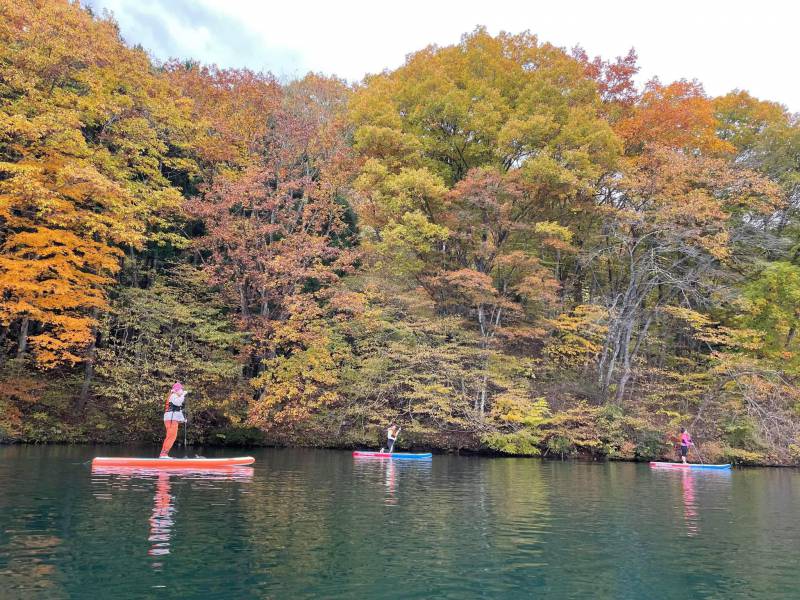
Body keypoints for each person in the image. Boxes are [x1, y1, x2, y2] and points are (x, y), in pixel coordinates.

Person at [159, 382, 186, 458]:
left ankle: (163, 454)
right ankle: (164, 454)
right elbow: (178, 403)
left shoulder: (175, 396)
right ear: (177, 390)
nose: (182, 391)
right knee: (171, 436)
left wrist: (183, 420)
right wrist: (183, 395)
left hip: (172, 419)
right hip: (170, 419)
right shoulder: (173, 395)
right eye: (181, 389)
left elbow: (178, 411)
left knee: (172, 436)